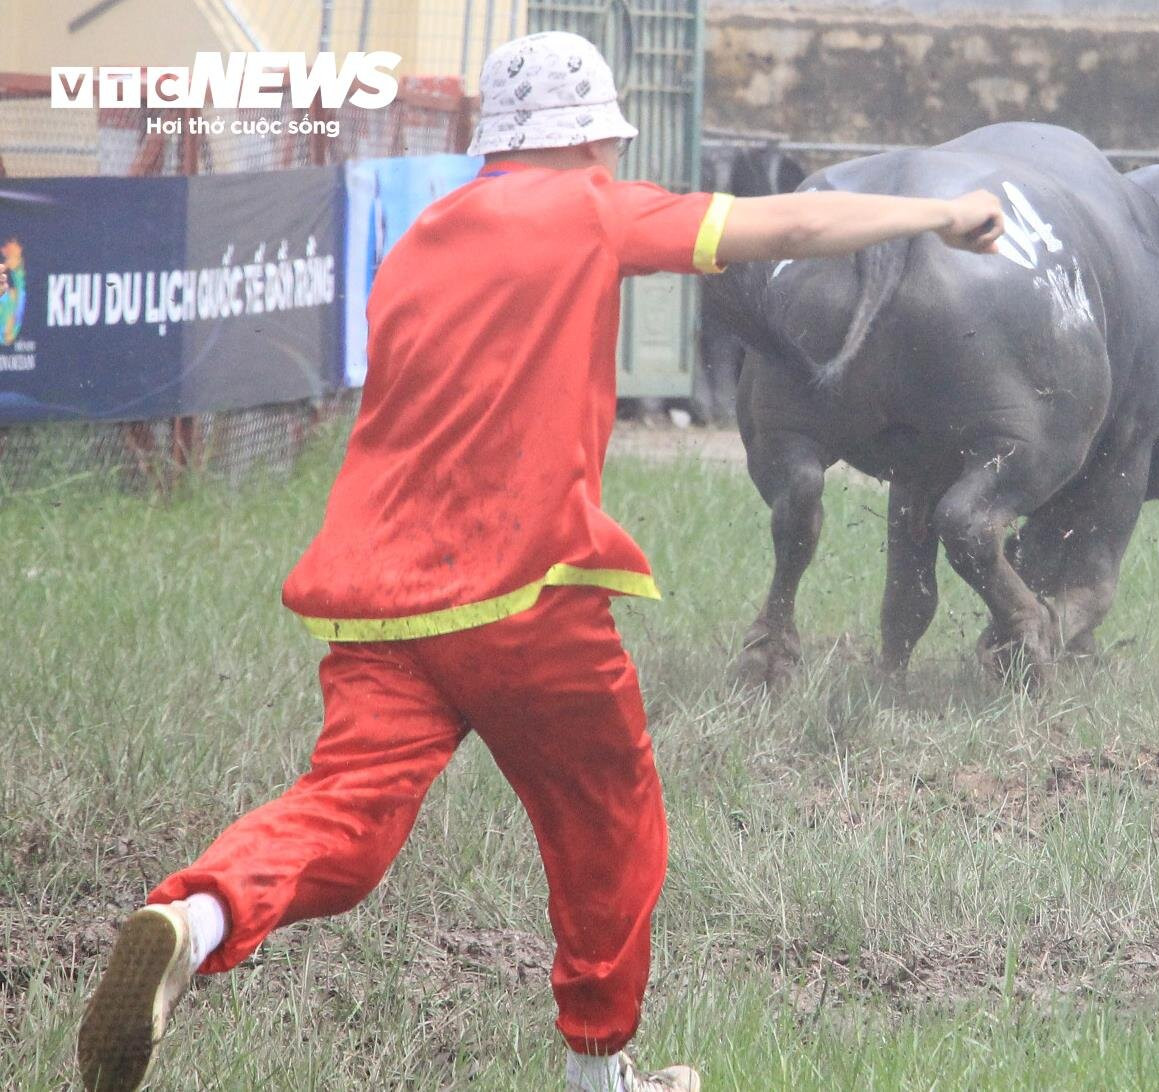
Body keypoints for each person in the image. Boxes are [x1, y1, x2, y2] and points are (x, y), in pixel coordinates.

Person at [75, 31, 1004, 1092]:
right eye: (606, 143)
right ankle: (598, 1078)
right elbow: (785, 224)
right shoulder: (587, 209)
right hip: (522, 599)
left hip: (376, 603)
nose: (612, 163)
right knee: (609, 822)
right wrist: (941, 212)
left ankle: (192, 919)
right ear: (583, 139)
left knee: (347, 817)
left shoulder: (422, 235)